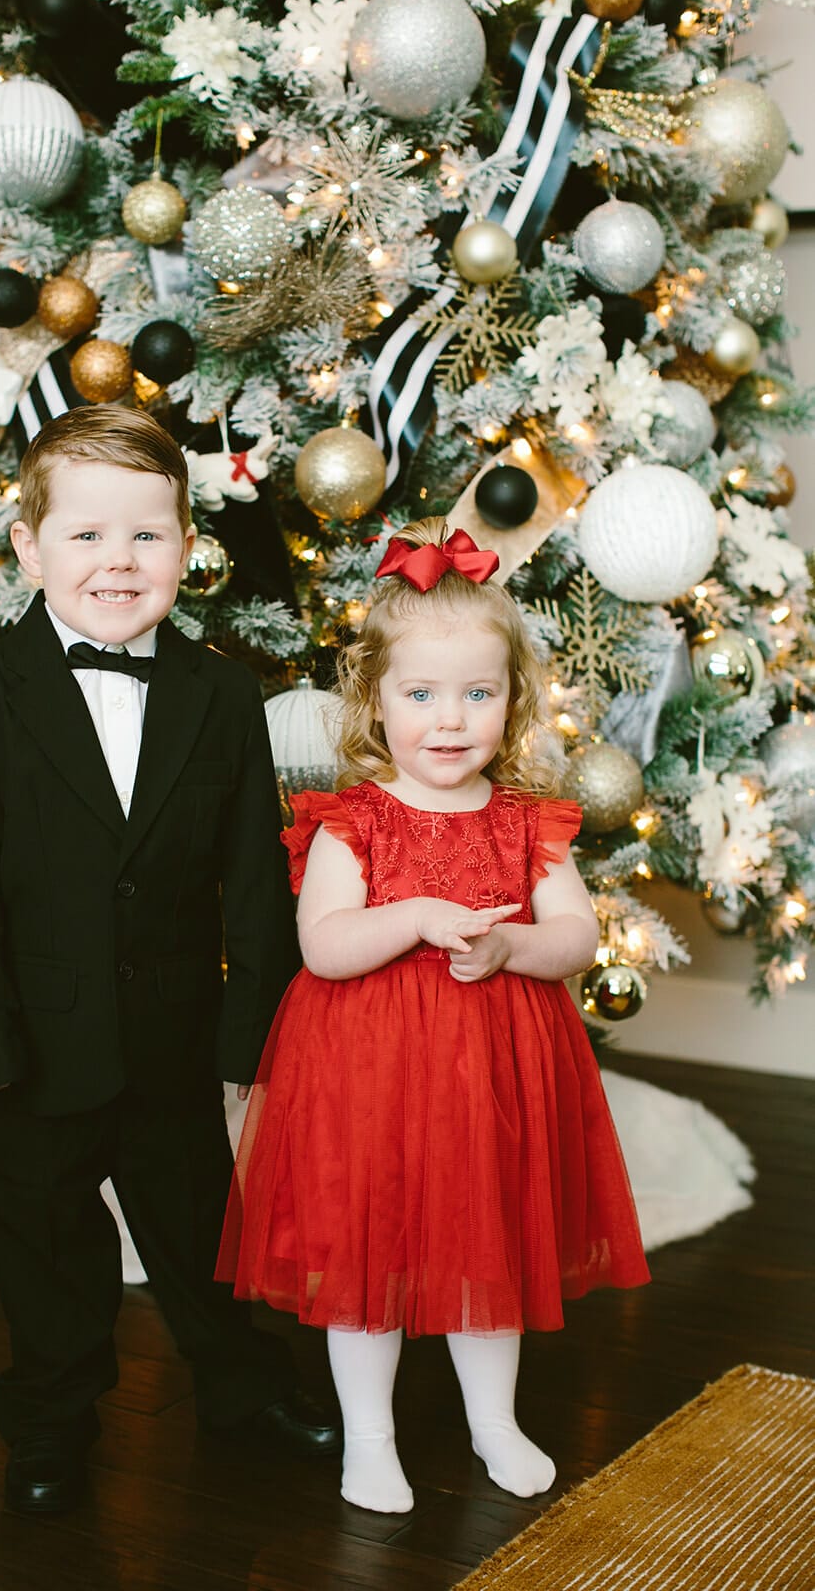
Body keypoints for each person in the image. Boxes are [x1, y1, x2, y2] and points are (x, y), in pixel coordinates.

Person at [0, 404, 340, 1517]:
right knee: (46, 1255)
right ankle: (51, 1422)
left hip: (171, 1042)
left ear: (186, 546)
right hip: (29, 1049)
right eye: (87, 535)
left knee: (202, 1237)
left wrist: (249, 1035)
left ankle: (242, 1390)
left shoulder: (222, 693)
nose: (118, 561)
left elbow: (254, 878)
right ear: (29, 548)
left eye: (147, 536)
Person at [216, 517, 650, 1515]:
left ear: (512, 698)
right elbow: (324, 945)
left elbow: (575, 937)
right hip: (364, 1076)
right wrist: (412, 914)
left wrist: (507, 949)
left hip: (489, 1078)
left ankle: (492, 1421)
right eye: (419, 695)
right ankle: (368, 1439)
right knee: (362, 1250)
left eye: (476, 694)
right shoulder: (351, 821)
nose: (448, 720)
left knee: (484, 1241)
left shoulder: (524, 822)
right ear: (374, 699)